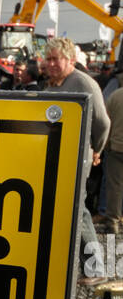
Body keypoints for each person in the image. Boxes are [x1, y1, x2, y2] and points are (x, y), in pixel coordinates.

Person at [41, 38, 110, 269]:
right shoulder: (52, 85)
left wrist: (96, 150)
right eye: (48, 59)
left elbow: (102, 122)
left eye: (55, 59)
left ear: (70, 59)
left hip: (78, 158)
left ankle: (95, 268)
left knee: (78, 211)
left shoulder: (84, 84)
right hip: (55, 157)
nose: (50, 64)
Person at [103, 84, 123, 236]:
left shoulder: (115, 95)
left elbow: (106, 122)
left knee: (114, 187)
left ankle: (113, 222)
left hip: (116, 148)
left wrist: (105, 144)